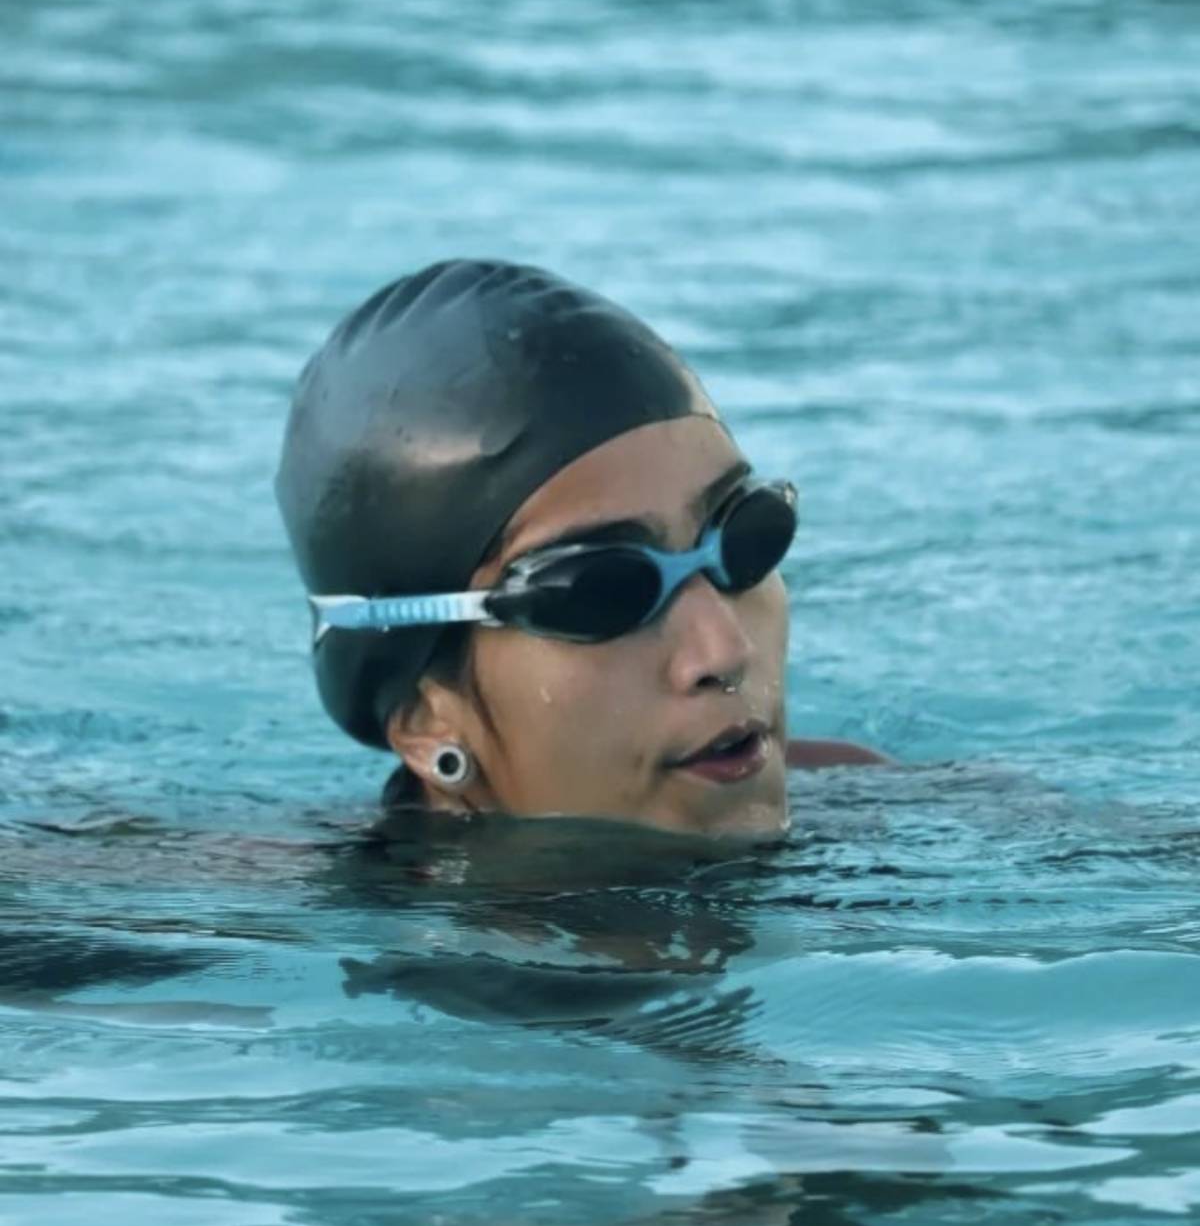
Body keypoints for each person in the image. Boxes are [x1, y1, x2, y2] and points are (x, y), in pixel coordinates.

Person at [276, 259, 888, 836]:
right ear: (425, 718)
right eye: (604, 591)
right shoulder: (254, 925)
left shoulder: (874, 810)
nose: (725, 651)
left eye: (748, 539)